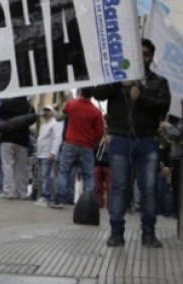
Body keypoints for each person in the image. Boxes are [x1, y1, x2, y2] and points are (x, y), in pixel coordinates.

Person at [94, 38, 171, 248]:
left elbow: (164, 105)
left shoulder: (158, 81)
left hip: (147, 140)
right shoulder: (118, 76)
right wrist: (118, 81)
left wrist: (141, 97)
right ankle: (116, 233)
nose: (142, 57)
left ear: (151, 58)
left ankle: (149, 234)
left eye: (146, 54)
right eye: (139, 53)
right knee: (119, 186)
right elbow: (97, 93)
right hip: (120, 139)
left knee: (149, 188)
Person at [50, 87, 105, 209]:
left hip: (70, 143)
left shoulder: (71, 105)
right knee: (88, 175)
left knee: (64, 171)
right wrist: (92, 141)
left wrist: (59, 107)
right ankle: (89, 204)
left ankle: (59, 200)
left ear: (79, 92)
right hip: (87, 147)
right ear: (91, 95)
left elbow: (59, 118)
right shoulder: (96, 111)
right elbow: (100, 132)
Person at [0, 97, 34, 200]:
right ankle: (22, 193)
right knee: (21, 168)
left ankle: (9, 192)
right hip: (23, 140)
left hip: (7, 138)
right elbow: (32, 120)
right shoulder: (29, 106)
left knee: (7, 166)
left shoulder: (7, 103)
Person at [35, 105, 62, 206]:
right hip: (41, 154)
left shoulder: (55, 124)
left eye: (48, 110)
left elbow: (57, 138)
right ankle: (43, 195)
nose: (45, 112)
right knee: (42, 176)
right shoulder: (44, 125)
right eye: (44, 110)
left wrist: (53, 152)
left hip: (48, 154)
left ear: (52, 112)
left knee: (47, 176)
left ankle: (46, 196)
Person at [93, 133, 111, 209]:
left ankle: (110, 205)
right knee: (97, 186)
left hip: (109, 164)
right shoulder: (99, 137)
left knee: (110, 187)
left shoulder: (114, 138)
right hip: (98, 163)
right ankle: (98, 203)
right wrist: (100, 143)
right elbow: (94, 149)